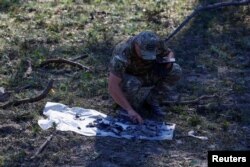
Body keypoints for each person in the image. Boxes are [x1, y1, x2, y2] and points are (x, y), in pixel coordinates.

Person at [108, 31, 182, 124]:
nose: (146, 57)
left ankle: (151, 100)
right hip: (130, 77)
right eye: (144, 53)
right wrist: (129, 110)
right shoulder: (122, 52)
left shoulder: (156, 43)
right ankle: (126, 107)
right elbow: (112, 86)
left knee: (175, 70)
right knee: (133, 82)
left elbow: (169, 52)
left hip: (148, 72)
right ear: (137, 45)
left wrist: (169, 62)